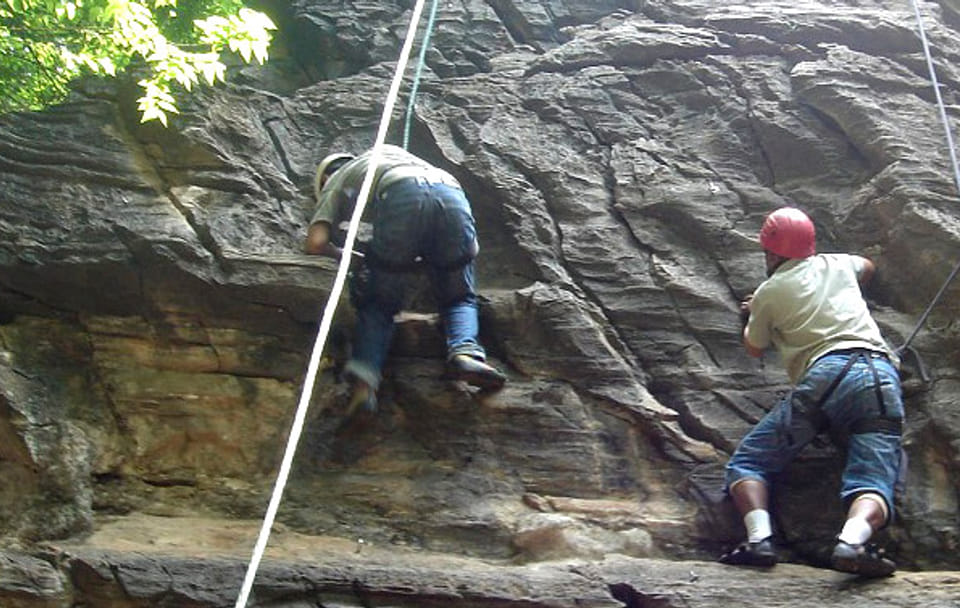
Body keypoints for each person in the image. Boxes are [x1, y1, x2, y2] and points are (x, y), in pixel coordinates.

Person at [720, 206, 905, 578]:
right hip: (879, 374)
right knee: (874, 477)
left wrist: (754, 310)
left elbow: (754, 347)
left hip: (825, 375)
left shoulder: (769, 291)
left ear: (770, 252)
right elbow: (867, 266)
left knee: (750, 461)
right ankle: (852, 541)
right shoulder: (837, 263)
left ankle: (759, 540)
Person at [304, 145, 506, 414]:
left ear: (325, 177)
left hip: (402, 194)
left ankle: (364, 387)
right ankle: (465, 354)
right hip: (453, 194)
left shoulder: (338, 178)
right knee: (459, 296)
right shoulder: (399, 158)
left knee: (379, 302)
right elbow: (470, 250)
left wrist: (349, 256)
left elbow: (315, 243)